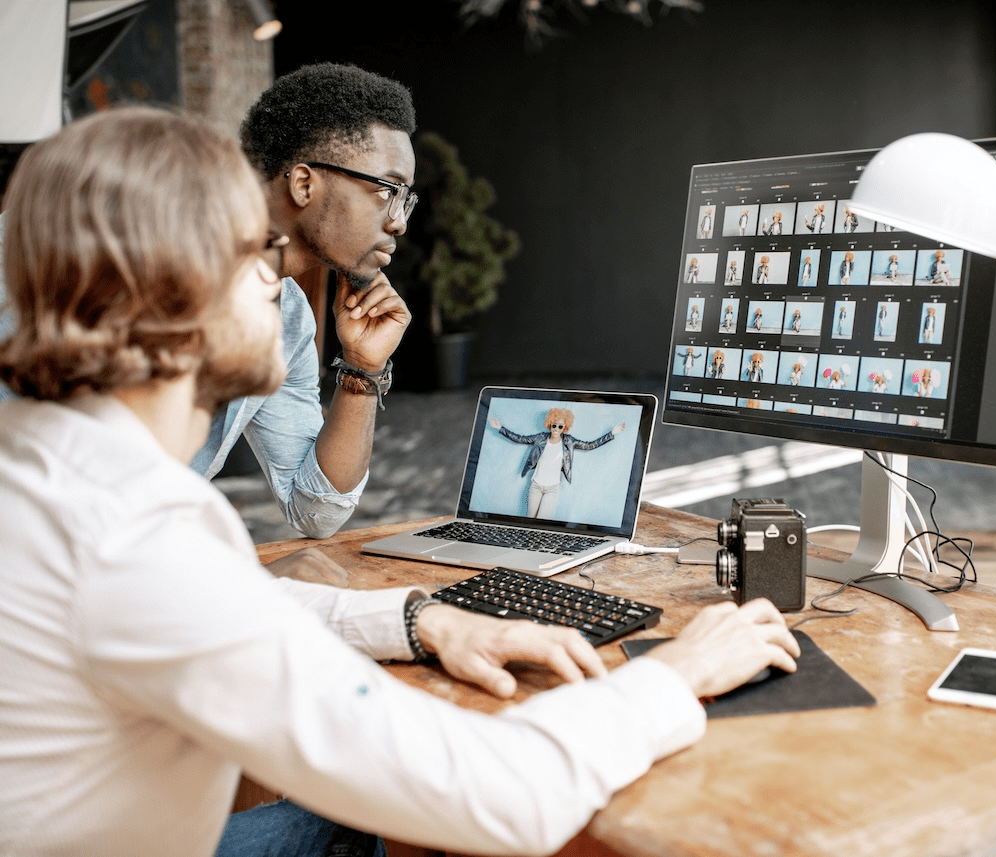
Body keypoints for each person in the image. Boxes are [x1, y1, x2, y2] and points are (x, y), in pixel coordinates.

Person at [0, 106, 800, 857]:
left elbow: (226, 598)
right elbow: (497, 793)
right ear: (169, 291)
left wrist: (421, 619)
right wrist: (674, 676)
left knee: (342, 811)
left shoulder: (44, 468)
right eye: (256, 252)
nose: (277, 280)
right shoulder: (135, 529)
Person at [0, 63, 414, 550]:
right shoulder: (104, 248)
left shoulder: (288, 316)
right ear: (304, 183)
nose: (398, 222)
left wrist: (363, 371)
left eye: (406, 200)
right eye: (387, 191)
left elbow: (315, 510)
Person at [488, 408, 625, 519]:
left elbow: (590, 445)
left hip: (552, 489)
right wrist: (500, 428)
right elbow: (519, 439)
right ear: (550, 424)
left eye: (560, 426)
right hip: (536, 485)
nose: (556, 429)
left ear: (565, 427)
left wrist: (612, 433)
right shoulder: (540, 438)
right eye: (554, 425)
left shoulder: (569, 441)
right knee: (530, 520)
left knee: (542, 521)